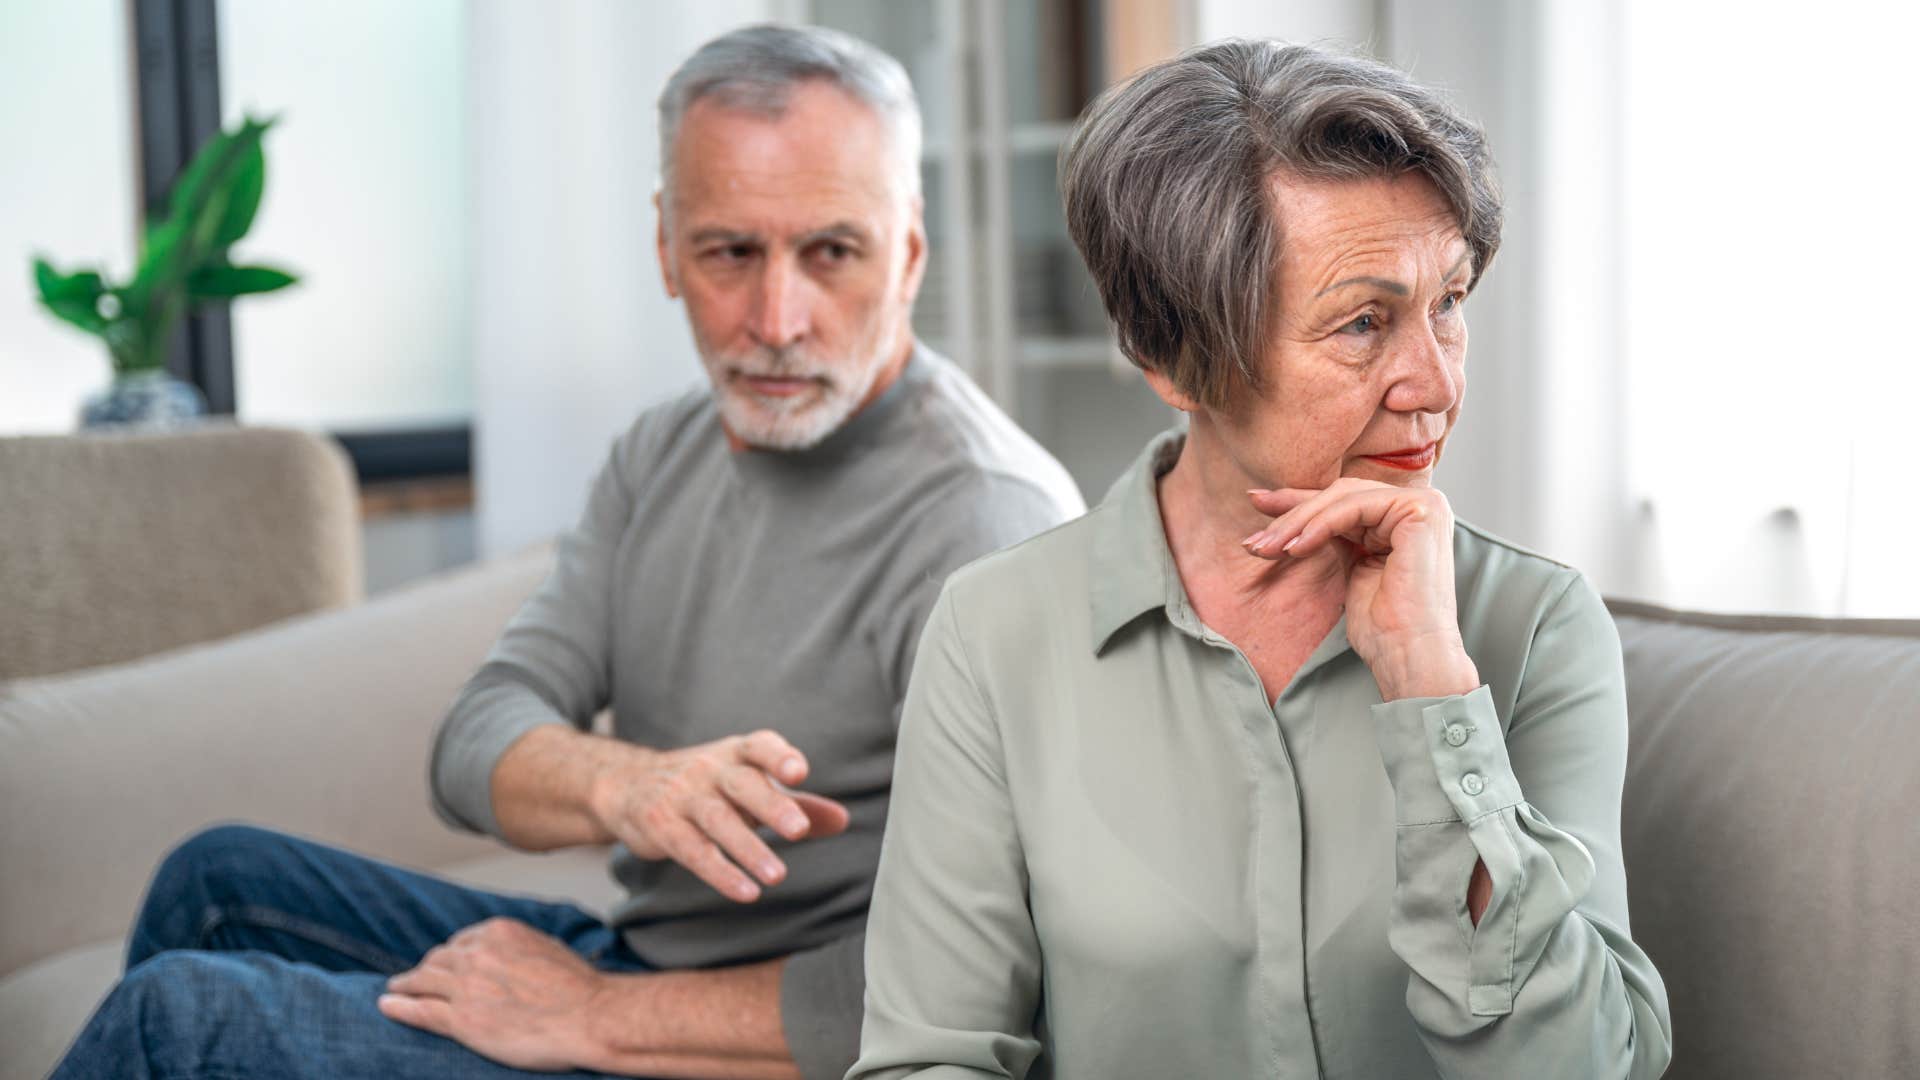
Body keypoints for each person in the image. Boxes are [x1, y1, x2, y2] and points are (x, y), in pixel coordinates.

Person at [52, 24, 1082, 1080]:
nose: (779, 319)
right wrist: (624, 785)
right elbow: (474, 742)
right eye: (731, 251)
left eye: (832, 251)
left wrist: (597, 1017)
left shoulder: (987, 520)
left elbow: (996, 978)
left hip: (780, 1049)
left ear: (908, 250)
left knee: (178, 1022)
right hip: (645, 972)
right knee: (216, 883)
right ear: (666, 246)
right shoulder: (660, 452)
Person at [850, 40, 1672, 1080]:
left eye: (1450, 303)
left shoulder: (1536, 626)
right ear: (1170, 357)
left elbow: (1588, 1069)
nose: (1433, 381)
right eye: (1365, 323)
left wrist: (1433, 695)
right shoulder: (995, 633)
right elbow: (934, 1057)